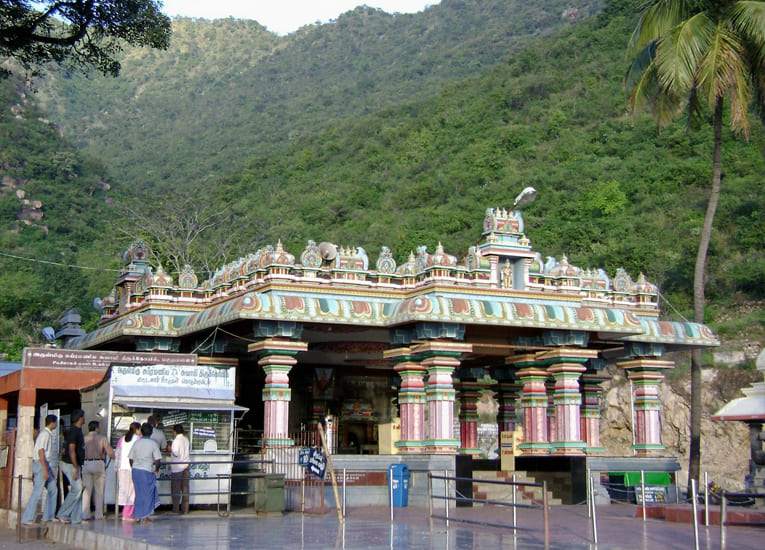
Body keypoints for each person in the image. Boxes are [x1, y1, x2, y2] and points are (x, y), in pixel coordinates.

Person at [21, 415, 58, 525]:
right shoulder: (45, 434)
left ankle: (48, 515)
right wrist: (45, 469)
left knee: (53, 489)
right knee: (37, 492)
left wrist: (49, 469)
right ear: (52, 423)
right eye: (55, 423)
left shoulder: (46, 434)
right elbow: (41, 452)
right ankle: (27, 518)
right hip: (41, 464)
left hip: (45, 464)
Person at [81, 420, 115, 521]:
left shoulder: (84, 438)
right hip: (98, 463)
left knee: (87, 491)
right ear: (96, 428)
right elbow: (110, 452)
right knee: (99, 491)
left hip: (86, 463)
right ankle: (98, 514)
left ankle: (85, 514)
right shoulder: (102, 438)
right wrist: (114, 457)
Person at [56, 409, 85, 524]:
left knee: (78, 490)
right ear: (79, 418)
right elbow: (71, 450)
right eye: (83, 417)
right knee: (77, 489)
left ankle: (76, 518)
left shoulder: (78, 430)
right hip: (70, 464)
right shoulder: (74, 431)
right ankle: (62, 513)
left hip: (75, 464)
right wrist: (75, 467)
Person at [128, 423, 161, 524]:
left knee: (138, 493)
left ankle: (137, 516)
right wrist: (156, 470)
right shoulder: (153, 444)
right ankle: (145, 517)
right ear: (151, 432)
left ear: (141, 432)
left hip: (136, 471)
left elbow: (130, 459)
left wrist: (134, 467)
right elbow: (158, 460)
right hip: (146, 471)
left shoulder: (136, 443)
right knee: (148, 494)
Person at [115, 422, 141, 521]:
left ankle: (126, 513)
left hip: (122, 468)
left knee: (125, 492)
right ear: (137, 429)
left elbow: (117, 453)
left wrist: (116, 468)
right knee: (133, 492)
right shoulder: (138, 439)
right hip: (132, 468)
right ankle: (128, 514)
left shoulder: (121, 439)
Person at [169, 424, 190, 514]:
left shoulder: (176, 441)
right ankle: (185, 509)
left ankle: (176, 509)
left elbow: (176, 453)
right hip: (186, 465)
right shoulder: (186, 439)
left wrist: (170, 449)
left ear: (175, 431)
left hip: (177, 467)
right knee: (185, 489)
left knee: (176, 489)